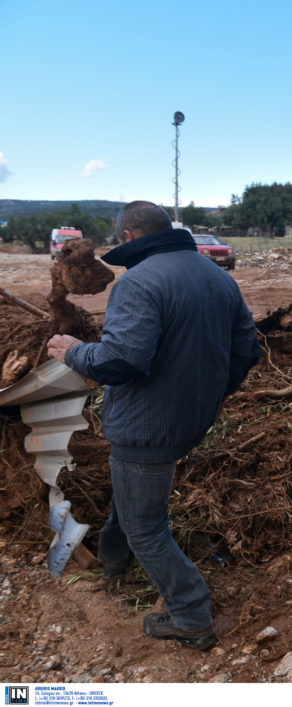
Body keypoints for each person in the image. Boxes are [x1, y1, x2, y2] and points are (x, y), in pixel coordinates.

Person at [47, 201, 261, 650]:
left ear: (127, 237)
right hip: (190, 420)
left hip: (147, 427)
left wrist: (72, 351)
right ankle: (113, 563)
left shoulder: (139, 282)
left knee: (146, 526)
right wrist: (214, 393)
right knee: (133, 500)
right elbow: (245, 351)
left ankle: (190, 615)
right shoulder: (218, 277)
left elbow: (121, 360)